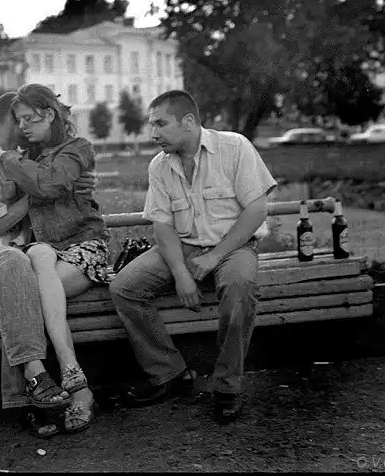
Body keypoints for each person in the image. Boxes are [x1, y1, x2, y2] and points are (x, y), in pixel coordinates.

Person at [109, 90, 277, 424]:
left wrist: (215, 257)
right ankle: (169, 373)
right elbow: (162, 226)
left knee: (239, 289)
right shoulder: (160, 165)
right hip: (183, 246)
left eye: (161, 124)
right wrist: (181, 274)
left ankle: (227, 386)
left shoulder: (234, 147)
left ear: (188, 121)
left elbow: (256, 211)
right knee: (124, 288)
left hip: (233, 247)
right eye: (152, 125)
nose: (153, 133)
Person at [0, 90, 98, 438]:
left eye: (32, 118)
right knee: (16, 266)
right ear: (9, 121)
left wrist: (73, 184)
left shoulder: (24, 156)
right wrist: (41, 192)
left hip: (14, 257)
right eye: (22, 120)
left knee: (19, 281)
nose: (28, 127)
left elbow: (63, 175)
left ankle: (31, 399)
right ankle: (33, 387)